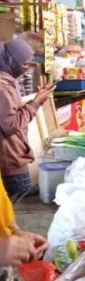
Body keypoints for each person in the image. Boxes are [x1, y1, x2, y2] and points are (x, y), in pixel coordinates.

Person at [0, 38, 54, 199]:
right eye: (24, 64)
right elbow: (10, 124)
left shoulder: (6, 79)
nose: (26, 69)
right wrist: (36, 103)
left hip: (11, 156)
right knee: (21, 207)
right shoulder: (2, 86)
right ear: (10, 61)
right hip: (11, 159)